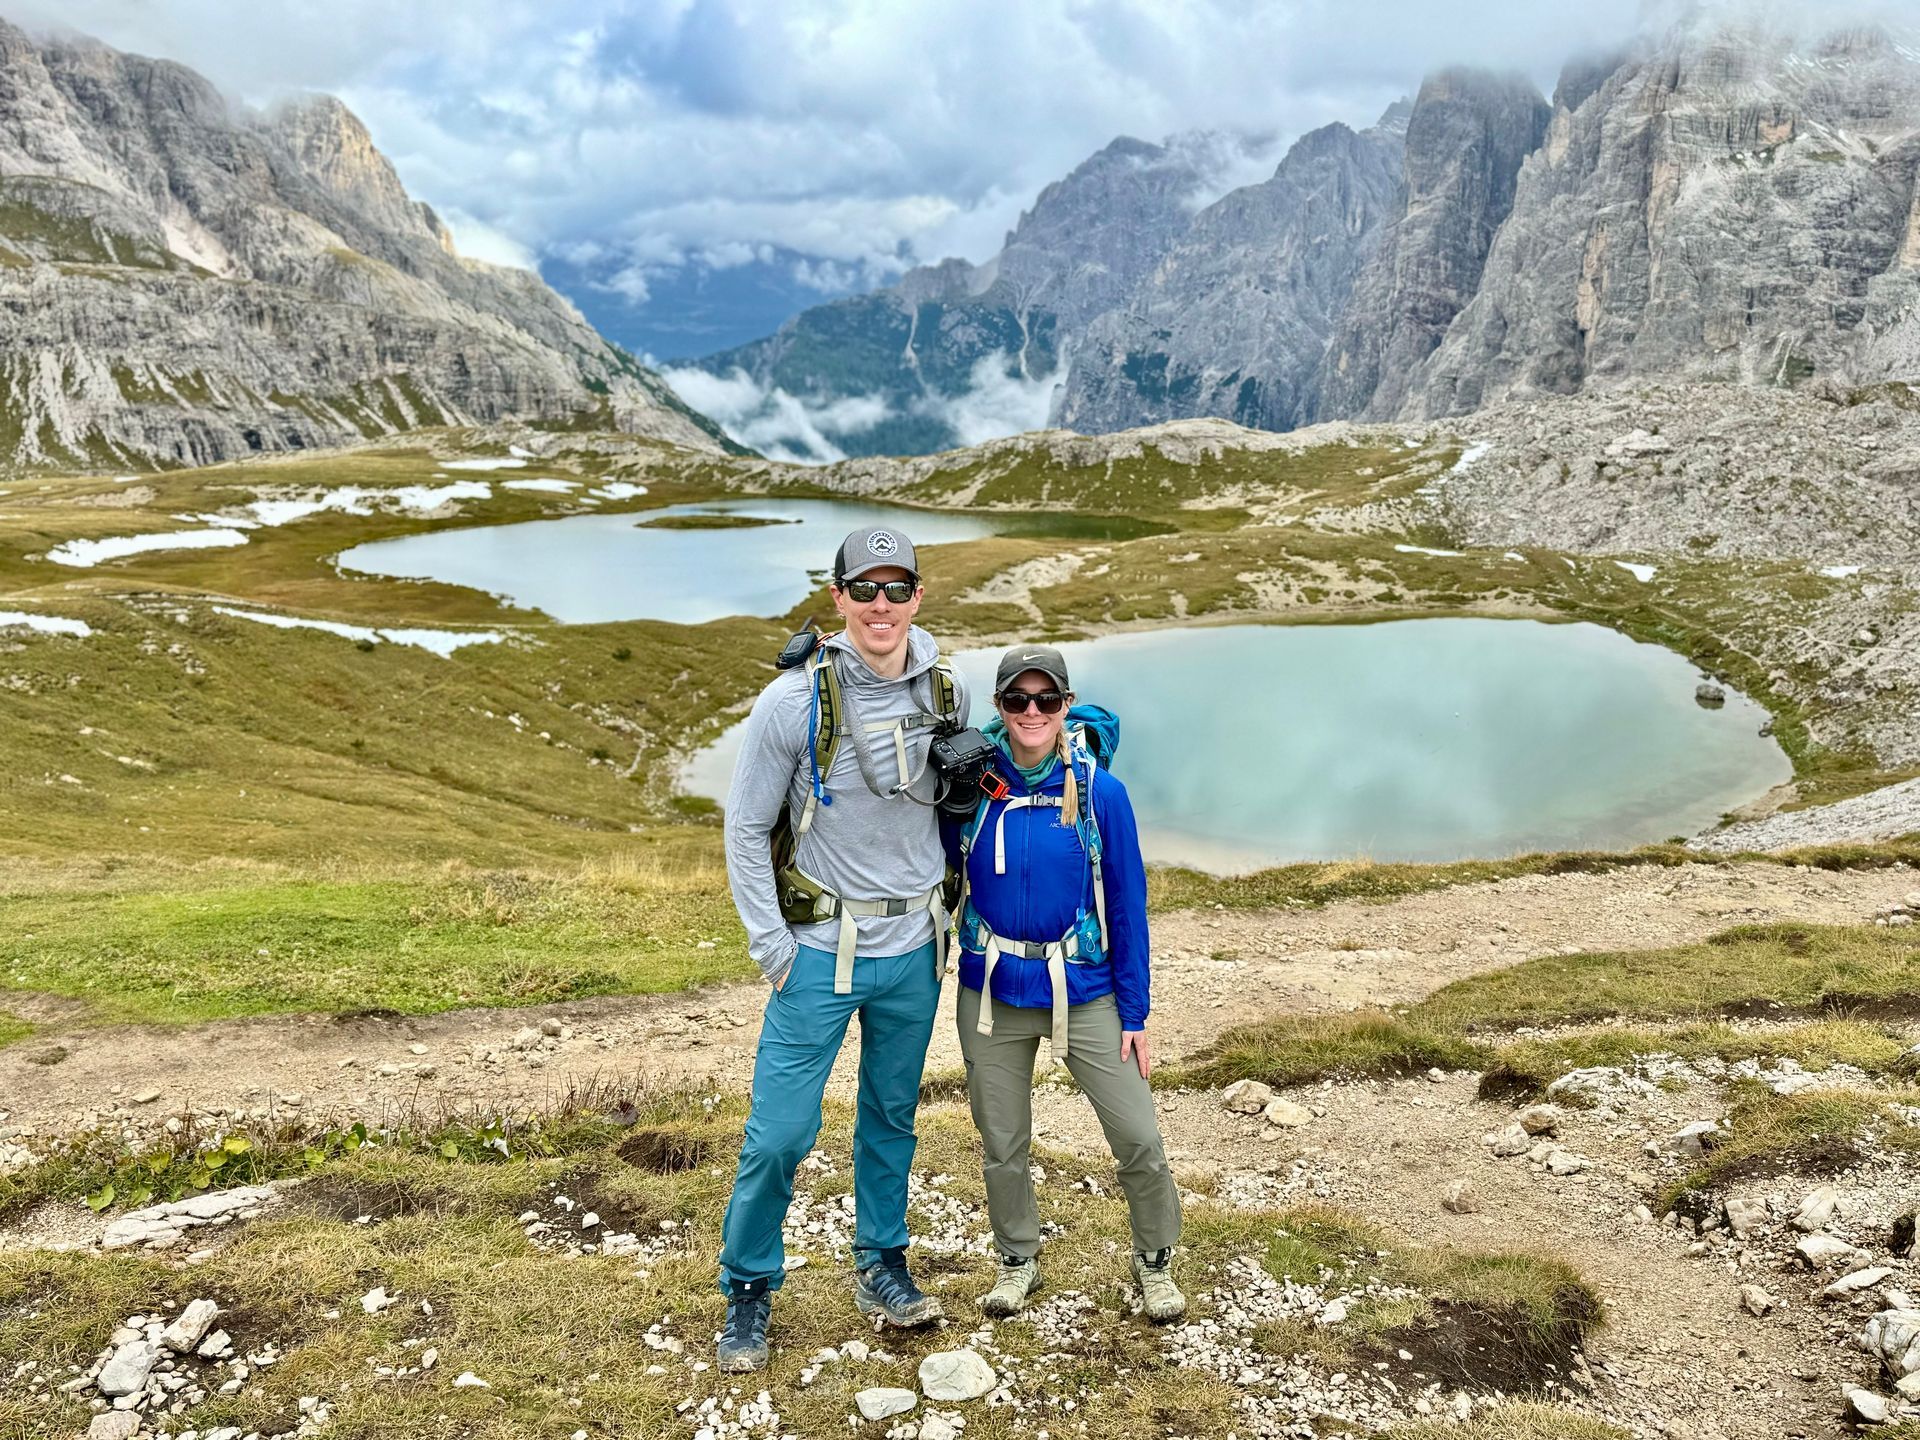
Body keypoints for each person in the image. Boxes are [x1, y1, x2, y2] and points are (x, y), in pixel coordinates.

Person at [714, 525, 972, 1373]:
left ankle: (882, 1266)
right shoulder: (793, 702)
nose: (882, 606)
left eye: (898, 589)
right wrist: (774, 950)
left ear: (918, 597)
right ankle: (749, 1291)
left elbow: (952, 811)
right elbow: (747, 830)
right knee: (780, 1134)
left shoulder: (947, 689)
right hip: (822, 951)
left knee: (891, 1117)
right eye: (866, 589)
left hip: (914, 948)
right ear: (839, 598)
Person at [949, 644, 1184, 1322]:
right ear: (999, 707)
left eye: (1046, 700)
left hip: (1087, 991)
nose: (1032, 712)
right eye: (1017, 700)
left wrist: (1134, 1013)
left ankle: (1155, 1258)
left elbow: (1128, 905)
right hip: (990, 991)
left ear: (1065, 706)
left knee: (1138, 1134)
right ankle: (1017, 1258)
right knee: (1002, 1141)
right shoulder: (972, 787)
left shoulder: (1100, 792)